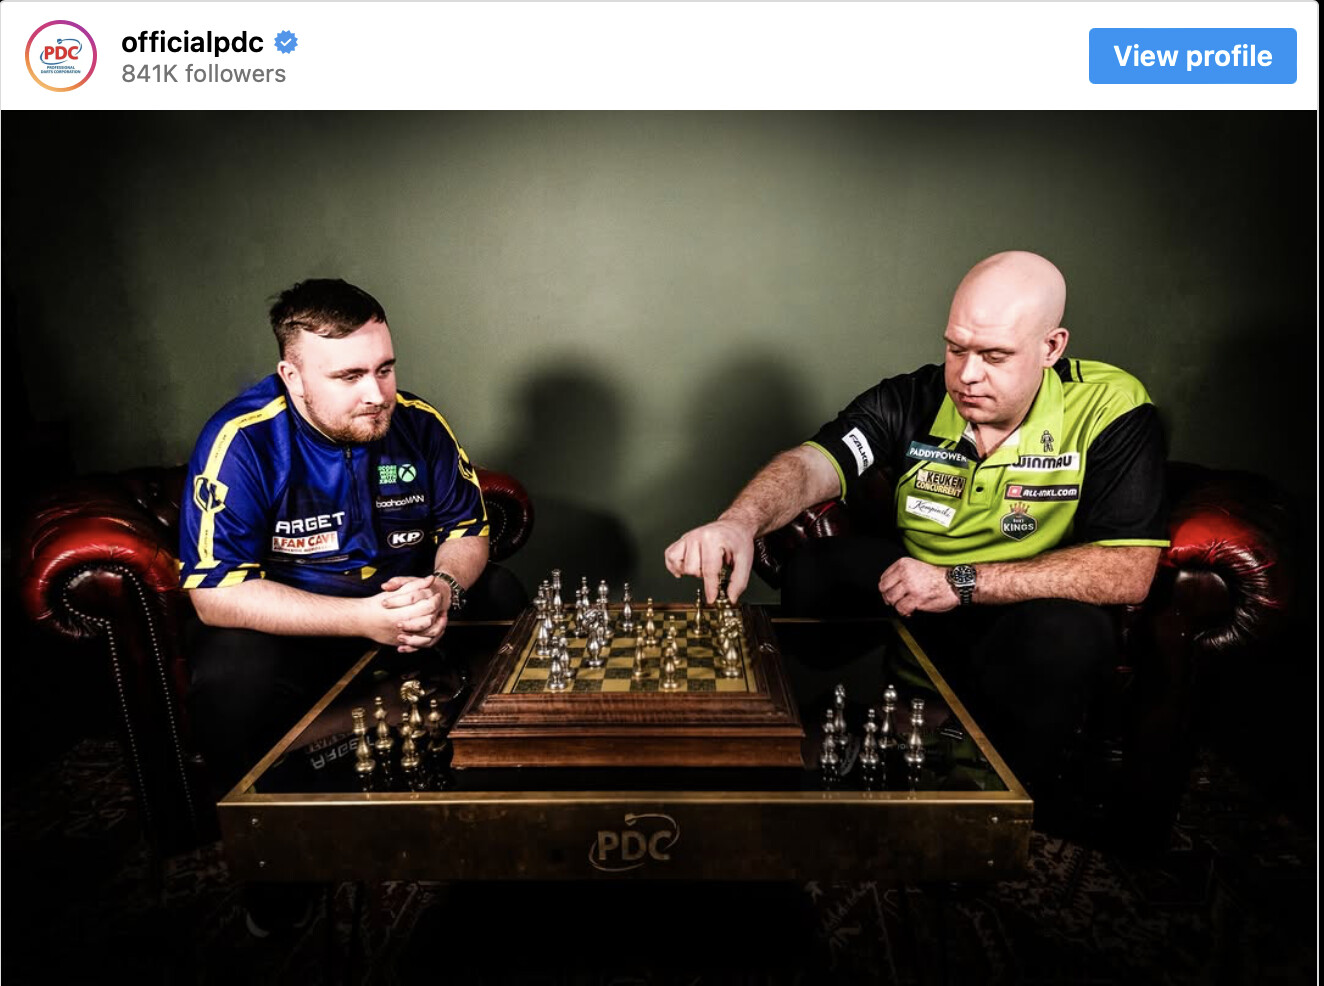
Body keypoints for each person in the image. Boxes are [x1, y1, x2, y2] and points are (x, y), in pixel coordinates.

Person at [664, 251, 1168, 791]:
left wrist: (962, 581)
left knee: (1068, 636)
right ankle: (833, 726)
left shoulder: (1111, 406)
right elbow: (813, 464)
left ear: (1051, 347)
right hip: (916, 593)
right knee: (817, 568)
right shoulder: (911, 397)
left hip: (1021, 605)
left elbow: (1128, 568)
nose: (967, 375)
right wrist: (739, 522)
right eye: (956, 349)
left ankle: (1000, 795)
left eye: (995, 355)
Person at [179, 278, 522, 934]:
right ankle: (274, 879)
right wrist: (359, 618)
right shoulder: (242, 439)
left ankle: (497, 812)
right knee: (228, 674)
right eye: (348, 376)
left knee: (501, 592)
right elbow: (213, 593)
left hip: (413, 615)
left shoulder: (419, 423)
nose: (376, 393)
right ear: (293, 376)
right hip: (301, 630)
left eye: (385, 368)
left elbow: (467, 531)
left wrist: (443, 589)